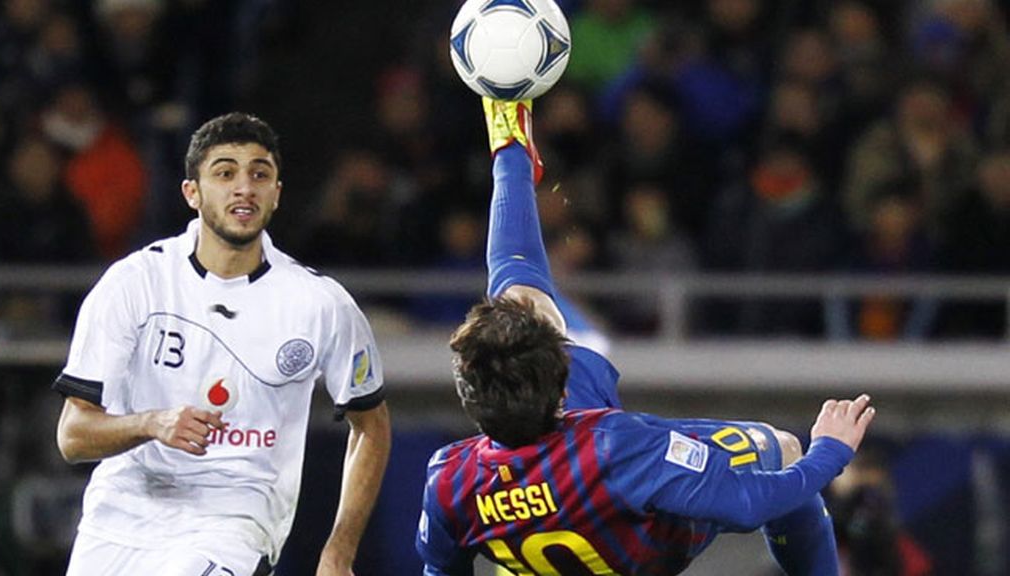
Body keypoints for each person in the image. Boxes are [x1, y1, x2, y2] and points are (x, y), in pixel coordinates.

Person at [415, 97, 877, 575]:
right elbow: (749, 503)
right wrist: (830, 451)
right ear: (560, 378)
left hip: (545, 521)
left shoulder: (448, 480)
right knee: (781, 450)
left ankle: (509, 139)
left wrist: (510, 156)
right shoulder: (618, 446)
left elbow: (439, 571)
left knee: (521, 297)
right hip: (644, 539)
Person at [52, 112, 391, 576]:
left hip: (232, 521)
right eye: (225, 172)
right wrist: (152, 423)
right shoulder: (134, 284)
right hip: (119, 517)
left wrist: (339, 550)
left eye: (259, 174)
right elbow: (72, 436)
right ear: (192, 192)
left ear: (276, 193)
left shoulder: (321, 304)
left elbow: (371, 425)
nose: (244, 187)